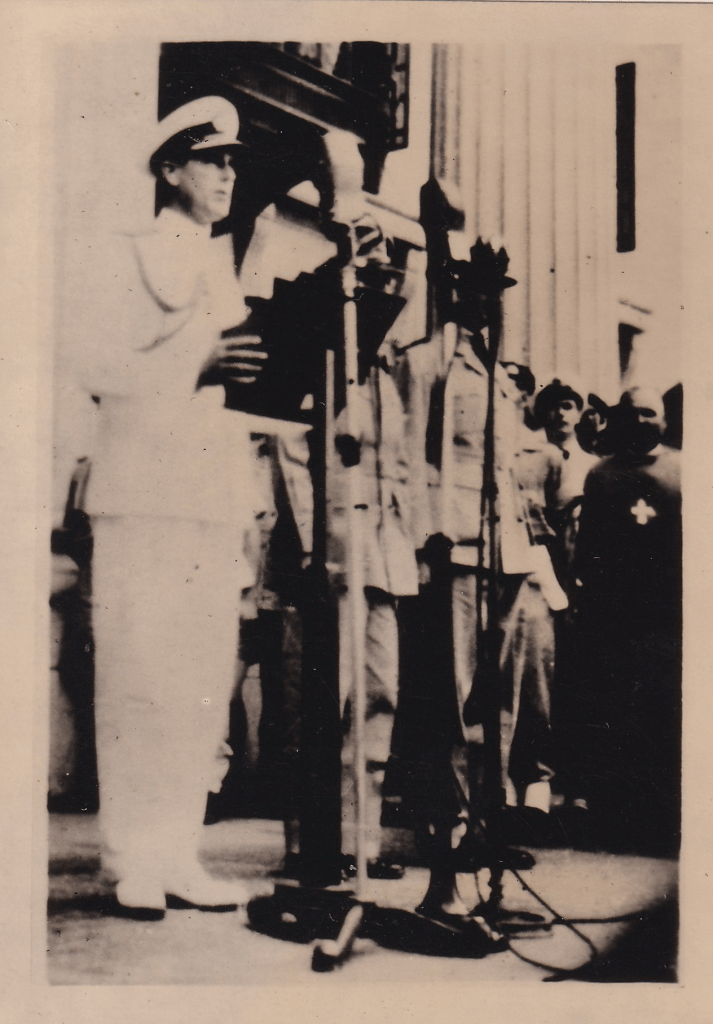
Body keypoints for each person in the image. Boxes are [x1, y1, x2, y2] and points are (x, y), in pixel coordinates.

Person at [72, 97, 269, 917]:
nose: (227, 173)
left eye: (232, 161)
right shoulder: (125, 252)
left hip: (206, 499)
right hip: (142, 497)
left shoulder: (223, 262)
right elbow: (96, 364)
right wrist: (200, 355)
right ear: (169, 168)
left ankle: (180, 851)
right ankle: (133, 859)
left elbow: (228, 398)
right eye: (211, 158)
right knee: (137, 676)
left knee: (195, 684)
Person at [574, 386, 682, 852]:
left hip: (666, 618)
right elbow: (587, 550)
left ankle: (661, 827)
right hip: (613, 619)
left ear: (662, 420)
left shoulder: (685, 470)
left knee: (662, 716)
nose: (640, 422)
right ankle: (611, 824)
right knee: (612, 717)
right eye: (631, 413)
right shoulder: (601, 475)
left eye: (648, 414)